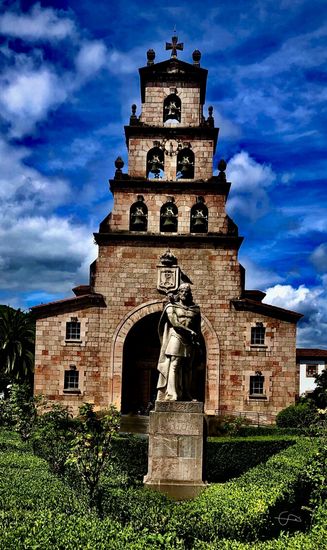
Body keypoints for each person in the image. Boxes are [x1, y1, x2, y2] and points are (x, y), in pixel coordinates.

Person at [156, 283, 201, 401]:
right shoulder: (171, 307)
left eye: (187, 292)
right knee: (174, 365)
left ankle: (187, 393)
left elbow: (198, 328)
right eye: (182, 291)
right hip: (176, 337)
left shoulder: (195, 309)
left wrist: (197, 341)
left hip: (189, 341)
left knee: (187, 368)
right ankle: (172, 394)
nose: (184, 294)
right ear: (179, 293)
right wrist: (190, 331)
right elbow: (174, 323)